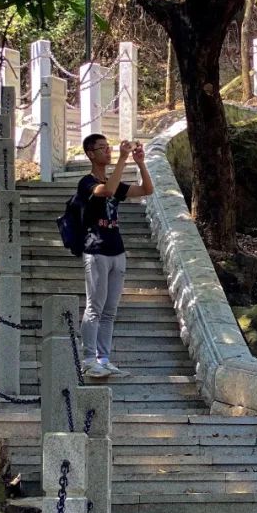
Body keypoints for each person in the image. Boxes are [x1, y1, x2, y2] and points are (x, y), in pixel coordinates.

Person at [78, 133, 154, 379]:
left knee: (110, 310)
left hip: (117, 251)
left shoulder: (114, 182)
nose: (108, 151)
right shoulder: (87, 183)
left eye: (108, 147)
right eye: (102, 148)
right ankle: (88, 360)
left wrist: (140, 163)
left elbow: (147, 189)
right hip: (96, 251)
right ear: (90, 154)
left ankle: (104, 358)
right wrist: (123, 159)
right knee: (95, 307)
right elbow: (108, 190)